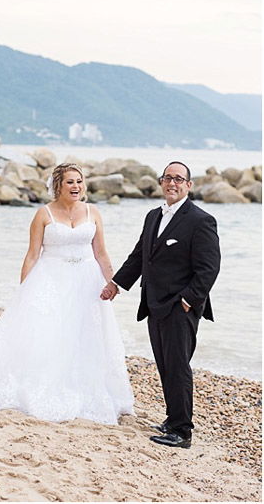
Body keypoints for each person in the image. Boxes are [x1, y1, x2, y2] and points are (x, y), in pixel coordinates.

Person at [0, 163, 134, 425]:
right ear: (58, 186)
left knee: (86, 334)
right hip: (51, 280)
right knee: (50, 333)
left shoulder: (93, 212)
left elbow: (101, 253)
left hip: (87, 282)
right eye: (69, 182)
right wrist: (25, 292)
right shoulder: (43, 214)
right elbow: (32, 255)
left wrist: (112, 282)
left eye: (79, 181)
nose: (76, 186)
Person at [102, 161, 220, 449]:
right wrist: (116, 284)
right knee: (165, 365)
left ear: (189, 186)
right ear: (161, 182)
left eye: (179, 179)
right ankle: (171, 419)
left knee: (178, 366)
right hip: (153, 303)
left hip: (181, 307)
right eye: (168, 178)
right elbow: (140, 255)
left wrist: (188, 301)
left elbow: (209, 268)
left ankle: (182, 431)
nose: (172, 183)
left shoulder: (201, 220)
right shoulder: (153, 215)